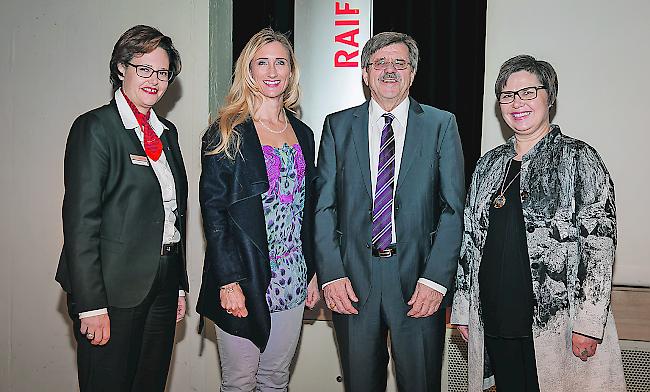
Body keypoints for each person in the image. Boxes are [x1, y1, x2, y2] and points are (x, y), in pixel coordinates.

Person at [451, 54, 626, 391]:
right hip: (494, 317)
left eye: (528, 92)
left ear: (550, 97)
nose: (517, 103)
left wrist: (589, 324)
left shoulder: (578, 158)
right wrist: (463, 309)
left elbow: (600, 247)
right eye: (507, 95)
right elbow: (469, 242)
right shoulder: (488, 165)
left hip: (555, 325)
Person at [315, 32, 465, 391]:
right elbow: (323, 206)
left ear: (412, 74)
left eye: (400, 63)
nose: (390, 70)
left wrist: (436, 279)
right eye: (380, 62)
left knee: (421, 383)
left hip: (418, 284)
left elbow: (453, 209)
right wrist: (331, 273)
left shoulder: (440, 125)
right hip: (352, 282)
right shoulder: (338, 126)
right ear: (365, 73)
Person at [56, 25, 188, 391]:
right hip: (111, 291)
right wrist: (91, 305)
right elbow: (81, 224)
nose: (154, 80)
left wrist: (178, 285)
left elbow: (174, 215)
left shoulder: (167, 132)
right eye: (143, 68)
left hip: (162, 283)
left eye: (162, 72)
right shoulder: (95, 128)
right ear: (120, 68)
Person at [196, 28, 320, 391]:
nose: (272, 71)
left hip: (293, 276)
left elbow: (307, 212)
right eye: (261, 62)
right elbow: (214, 214)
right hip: (245, 275)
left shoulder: (304, 133)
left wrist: (312, 270)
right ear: (248, 70)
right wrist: (227, 280)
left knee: (276, 379)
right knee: (239, 381)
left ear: (291, 71)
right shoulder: (225, 132)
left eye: (280, 62)